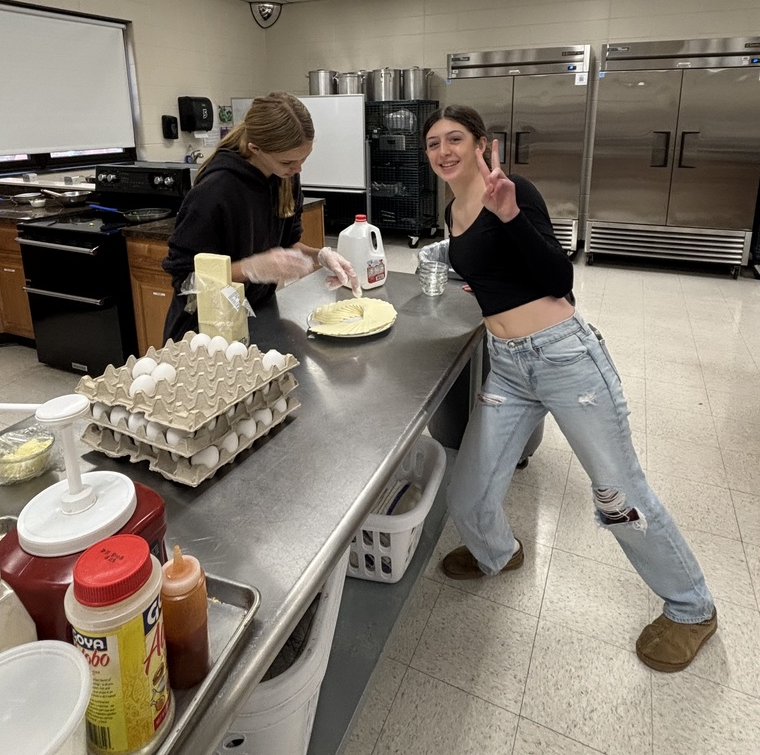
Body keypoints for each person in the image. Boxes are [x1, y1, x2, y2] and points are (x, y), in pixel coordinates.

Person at [420, 104, 717, 673]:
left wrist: (510, 215)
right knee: (469, 491)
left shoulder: (514, 191)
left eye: (454, 139)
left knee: (619, 494)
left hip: (565, 359)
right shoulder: (452, 210)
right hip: (508, 367)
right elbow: (487, 269)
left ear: (482, 144)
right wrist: (484, 285)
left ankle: (691, 607)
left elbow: (558, 278)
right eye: (433, 143)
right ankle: (498, 553)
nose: (443, 151)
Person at [162, 91, 359, 342]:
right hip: (206, 332)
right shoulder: (214, 192)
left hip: (255, 316)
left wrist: (319, 255)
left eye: (304, 158)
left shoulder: (285, 178)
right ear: (255, 149)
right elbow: (187, 279)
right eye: (288, 161)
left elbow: (288, 244)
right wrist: (251, 268)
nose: (298, 168)